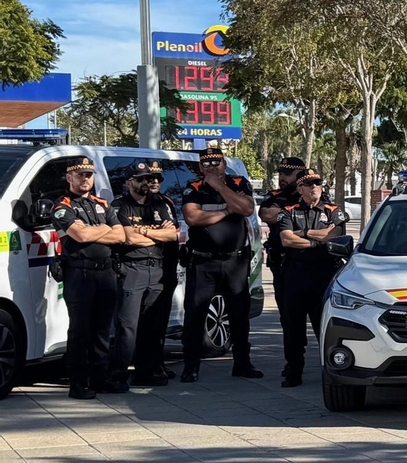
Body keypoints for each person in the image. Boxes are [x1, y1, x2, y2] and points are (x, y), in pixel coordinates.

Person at [181, 144, 262, 383]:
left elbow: (246, 208)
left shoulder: (238, 183)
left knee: (239, 315)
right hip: (202, 262)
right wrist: (228, 211)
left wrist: (220, 187)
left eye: (216, 163)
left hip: (235, 261)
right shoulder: (193, 187)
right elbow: (193, 218)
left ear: (224, 165)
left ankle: (242, 364)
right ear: (200, 167)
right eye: (206, 164)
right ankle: (191, 366)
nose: (211, 167)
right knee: (195, 316)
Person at [52, 157, 125, 399]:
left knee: (102, 330)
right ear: (69, 178)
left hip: (106, 272)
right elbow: (80, 236)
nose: (85, 179)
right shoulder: (62, 206)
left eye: (89, 175)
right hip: (79, 273)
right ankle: (78, 382)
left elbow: (121, 235)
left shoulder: (102, 203)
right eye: (80, 175)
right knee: (80, 331)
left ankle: (100, 378)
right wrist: (105, 230)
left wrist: (96, 231)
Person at [272, 170, 348, 387]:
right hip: (296, 273)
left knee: (324, 325)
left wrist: (303, 233)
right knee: (293, 326)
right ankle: (293, 370)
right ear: (300, 189)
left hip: (324, 273)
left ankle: (332, 369)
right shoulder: (288, 212)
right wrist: (317, 238)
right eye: (309, 184)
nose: (314, 187)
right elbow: (286, 240)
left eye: (317, 183)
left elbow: (335, 235)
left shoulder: (333, 210)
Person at [110, 163, 180, 387]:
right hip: (132, 269)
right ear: (129, 182)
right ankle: (119, 374)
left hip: (157, 268)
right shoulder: (120, 206)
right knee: (128, 326)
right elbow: (128, 238)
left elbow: (172, 235)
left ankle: (146, 371)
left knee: (153, 324)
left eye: (148, 179)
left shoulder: (159, 204)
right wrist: (156, 233)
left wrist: (142, 230)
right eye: (140, 179)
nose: (146, 183)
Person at [257, 155, 306, 297]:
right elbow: (266, 214)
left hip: (309, 259)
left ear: (300, 174)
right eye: (281, 173)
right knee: (287, 313)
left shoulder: (316, 196)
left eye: (287, 174)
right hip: (281, 260)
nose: (282, 177)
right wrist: (299, 212)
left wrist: (283, 213)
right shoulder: (274, 196)